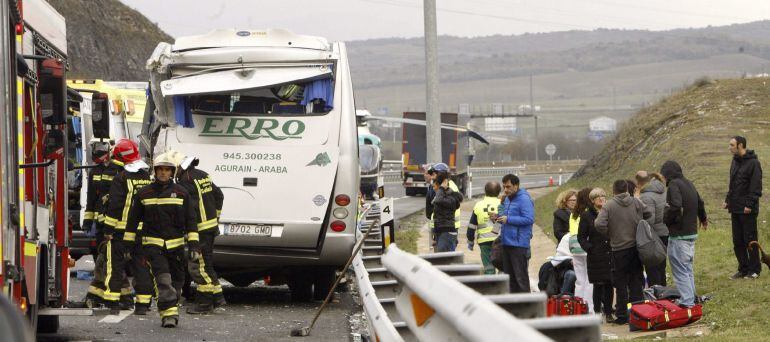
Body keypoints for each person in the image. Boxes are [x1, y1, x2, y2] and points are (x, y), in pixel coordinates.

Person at [124, 151, 200, 328]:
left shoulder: (182, 194)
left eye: (167, 170)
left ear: (172, 172)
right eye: (160, 169)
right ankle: (169, 315)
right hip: (153, 245)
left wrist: (194, 245)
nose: (163, 173)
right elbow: (132, 221)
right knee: (163, 280)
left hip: (176, 247)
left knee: (177, 283)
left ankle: (171, 307)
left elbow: (191, 220)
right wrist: (127, 245)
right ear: (155, 171)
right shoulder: (144, 193)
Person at [95, 139, 154, 315]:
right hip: (142, 231)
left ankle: (113, 303)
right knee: (141, 266)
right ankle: (143, 305)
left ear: (119, 156)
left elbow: (115, 206)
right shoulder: (145, 177)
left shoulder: (121, 178)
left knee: (116, 266)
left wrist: (108, 230)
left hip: (120, 231)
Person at [172, 151, 226, 314]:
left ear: (180, 166)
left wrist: (186, 229)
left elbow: (189, 209)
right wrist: (215, 218)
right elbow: (219, 195)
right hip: (210, 228)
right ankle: (218, 298)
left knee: (198, 267)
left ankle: (204, 303)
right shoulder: (203, 175)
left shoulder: (185, 181)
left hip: (199, 230)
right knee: (207, 264)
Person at [595, 179, 650, 324]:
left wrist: (610, 233)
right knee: (636, 281)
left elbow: (599, 223)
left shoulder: (609, 205)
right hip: (635, 248)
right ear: (626, 189)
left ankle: (622, 316)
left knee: (620, 283)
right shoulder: (635, 202)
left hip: (618, 250)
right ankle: (638, 314)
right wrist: (639, 225)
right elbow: (649, 212)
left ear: (614, 191)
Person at [661, 161, 708, 308]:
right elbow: (700, 202)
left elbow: (675, 206)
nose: (663, 178)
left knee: (680, 270)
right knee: (687, 269)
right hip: (691, 233)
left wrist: (667, 220)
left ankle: (687, 302)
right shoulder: (689, 183)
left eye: (663, 175)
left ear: (668, 173)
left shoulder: (674, 185)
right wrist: (703, 218)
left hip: (679, 235)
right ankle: (691, 298)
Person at [725, 136, 763, 279]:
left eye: (732, 145)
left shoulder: (754, 163)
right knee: (738, 240)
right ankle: (743, 268)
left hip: (748, 210)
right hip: (735, 208)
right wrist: (727, 200)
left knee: (750, 240)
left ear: (740, 145)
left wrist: (749, 205)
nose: (729, 147)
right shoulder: (734, 162)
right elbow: (733, 184)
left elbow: (756, 187)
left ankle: (755, 270)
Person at [578, 188, 614, 323]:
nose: (601, 199)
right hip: (596, 255)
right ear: (592, 200)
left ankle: (609, 313)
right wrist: (590, 249)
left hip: (610, 253)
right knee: (598, 285)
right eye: (598, 197)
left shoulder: (609, 212)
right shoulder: (586, 216)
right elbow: (581, 237)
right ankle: (597, 313)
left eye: (603, 196)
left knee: (609, 284)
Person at [496, 174, 535, 293]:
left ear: (516, 186)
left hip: (519, 244)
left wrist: (508, 219)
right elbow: (508, 217)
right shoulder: (507, 199)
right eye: (504, 187)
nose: (506, 190)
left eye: (508, 187)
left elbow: (529, 219)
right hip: (507, 242)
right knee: (509, 278)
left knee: (520, 277)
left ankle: (526, 305)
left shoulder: (524, 199)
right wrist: (498, 218)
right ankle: (513, 304)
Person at [636, 171, 669, 286]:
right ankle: (664, 295)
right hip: (665, 233)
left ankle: (656, 297)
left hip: (653, 237)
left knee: (653, 269)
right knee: (661, 268)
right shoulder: (663, 191)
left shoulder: (646, 196)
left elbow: (649, 220)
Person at [467, 181, 502, 274]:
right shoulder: (502, 204)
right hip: (500, 241)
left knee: (489, 268)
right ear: (499, 192)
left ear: (485, 191)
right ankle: (502, 285)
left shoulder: (478, 205)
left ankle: (490, 284)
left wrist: (470, 242)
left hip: (484, 242)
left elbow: (471, 226)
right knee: (502, 266)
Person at [569, 188, 593, 312]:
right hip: (585, 245)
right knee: (590, 280)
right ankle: (589, 308)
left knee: (580, 279)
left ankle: (577, 307)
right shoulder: (588, 213)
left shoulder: (573, 213)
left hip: (573, 247)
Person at [432, 170, 463, 252]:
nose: (434, 189)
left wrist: (442, 188)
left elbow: (438, 200)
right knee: (443, 260)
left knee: (444, 260)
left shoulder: (450, 198)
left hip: (447, 232)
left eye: (435, 186)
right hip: (441, 231)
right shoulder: (444, 196)